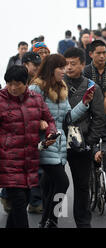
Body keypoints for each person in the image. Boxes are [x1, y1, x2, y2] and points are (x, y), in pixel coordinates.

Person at [29, 54, 94, 228]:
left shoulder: (62, 88)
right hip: (45, 145)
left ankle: (47, 221)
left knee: (51, 186)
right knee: (63, 182)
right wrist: (40, 123)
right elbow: (27, 116)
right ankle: (52, 218)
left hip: (60, 145)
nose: (64, 71)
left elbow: (68, 119)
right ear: (52, 69)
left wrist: (84, 103)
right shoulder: (36, 88)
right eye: (61, 67)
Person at [0, 66, 57, 228]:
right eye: (9, 83)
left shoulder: (36, 99)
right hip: (8, 161)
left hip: (30, 160)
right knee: (18, 203)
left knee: (21, 203)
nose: (13, 87)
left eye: (17, 83)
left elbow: (50, 120)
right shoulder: (1, 100)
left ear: (26, 83)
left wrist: (50, 133)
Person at [63, 47, 104, 228]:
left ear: (82, 64)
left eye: (73, 63)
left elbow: (99, 117)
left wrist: (90, 140)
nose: (69, 67)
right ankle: (52, 218)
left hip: (83, 144)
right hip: (58, 143)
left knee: (81, 186)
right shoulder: (57, 85)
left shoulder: (92, 87)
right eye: (66, 64)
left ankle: (83, 222)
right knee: (55, 184)